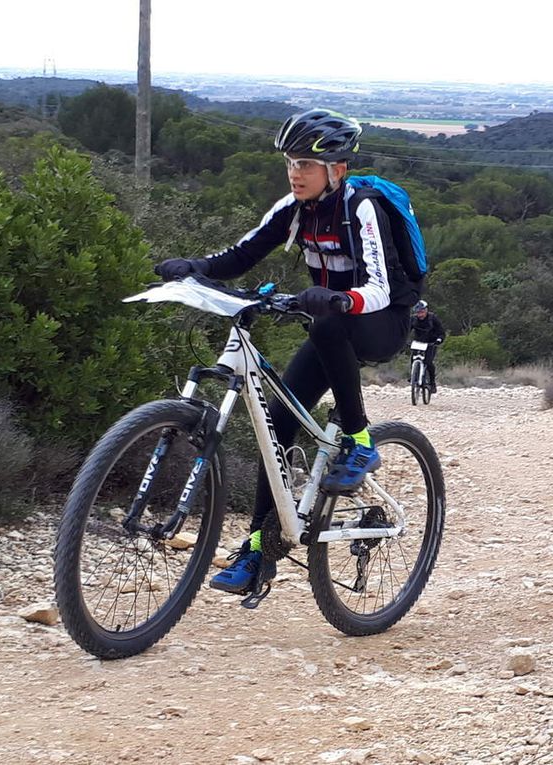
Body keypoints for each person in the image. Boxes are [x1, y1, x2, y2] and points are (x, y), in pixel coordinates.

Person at [154, 109, 419, 596]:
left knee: (326, 325)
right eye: (291, 163)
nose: (296, 172)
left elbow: (381, 287)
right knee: (276, 423)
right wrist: (193, 266)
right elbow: (241, 255)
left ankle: (360, 441)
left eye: (307, 164)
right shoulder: (293, 208)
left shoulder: (361, 207)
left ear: (336, 168)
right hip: (329, 321)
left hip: (383, 320)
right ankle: (258, 550)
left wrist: (343, 298)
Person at [410, 300, 445, 393]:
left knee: (428, 362)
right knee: (413, 359)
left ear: (426, 310)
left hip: (431, 343)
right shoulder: (413, 319)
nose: (420, 315)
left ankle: (432, 383)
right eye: (418, 313)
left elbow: (441, 332)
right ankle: (414, 377)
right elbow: (406, 331)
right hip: (418, 342)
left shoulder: (433, 318)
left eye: (421, 312)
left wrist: (439, 339)